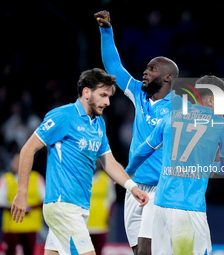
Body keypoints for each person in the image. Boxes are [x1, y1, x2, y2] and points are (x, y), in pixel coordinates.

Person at [10, 68, 149, 255]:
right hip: (63, 206)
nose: (107, 102)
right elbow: (27, 149)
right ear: (86, 92)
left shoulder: (98, 124)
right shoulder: (63, 116)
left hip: (80, 206)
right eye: (102, 95)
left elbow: (109, 161)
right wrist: (22, 192)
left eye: (109, 96)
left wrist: (132, 187)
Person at [94, 10, 180, 255]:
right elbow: (113, 66)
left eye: (151, 69)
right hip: (134, 188)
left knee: (146, 251)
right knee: (139, 251)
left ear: (166, 77)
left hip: (160, 189)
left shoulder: (179, 108)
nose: (145, 71)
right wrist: (106, 30)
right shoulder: (139, 95)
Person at [125, 75, 224, 255]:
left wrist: (128, 172)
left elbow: (143, 150)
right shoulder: (221, 125)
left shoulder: (171, 117)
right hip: (189, 208)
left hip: (160, 207)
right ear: (210, 100)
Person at [0, 152, 45, 255]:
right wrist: (15, 208)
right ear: (12, 163)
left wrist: (30, 208)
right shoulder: (6, 179)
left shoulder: (36, 178)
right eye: (17, 161)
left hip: (31, 226)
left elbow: (45, 199)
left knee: (29, 252)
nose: (19, 164)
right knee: (10, 252)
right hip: (12, 226)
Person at [87, 161, 116, 255]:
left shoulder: (106, 179)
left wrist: (109, 217)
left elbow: (111, 199)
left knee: (98, 251)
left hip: (100, 222)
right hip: (84, 222)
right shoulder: (82, 177)